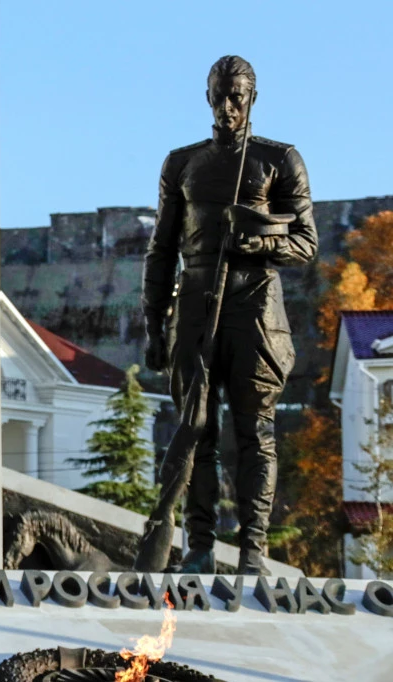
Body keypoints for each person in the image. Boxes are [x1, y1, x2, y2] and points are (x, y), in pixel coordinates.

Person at [142, 56, 317, 575]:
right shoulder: (182, 163)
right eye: (220, 94)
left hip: (256, 304)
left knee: (255, 430)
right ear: (207, 97)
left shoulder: (279, 159)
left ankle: (254, 553)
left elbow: (305, 242)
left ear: (252, 98)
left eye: (237, 95)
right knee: (195, 429)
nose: (228, 105)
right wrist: (154, 326)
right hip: (195, 298)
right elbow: (161, 249)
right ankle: (199, 547)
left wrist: (259, 243)